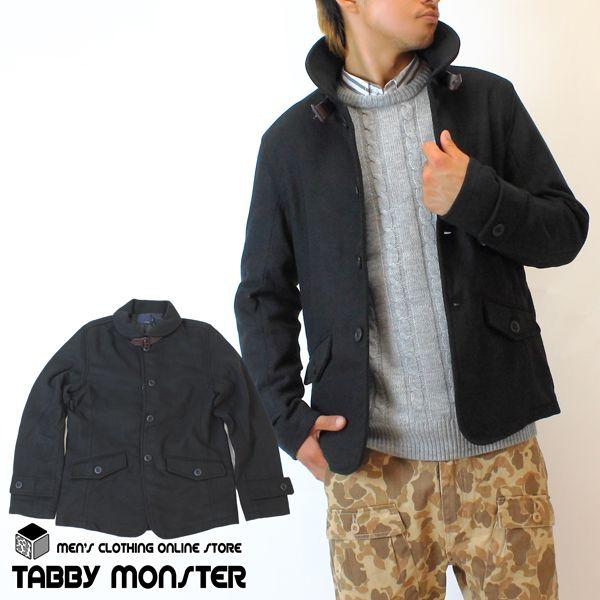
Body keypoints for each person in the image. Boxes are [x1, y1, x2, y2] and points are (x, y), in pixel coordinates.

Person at [234, 1, 589, 597]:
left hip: (500, 465)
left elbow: (565, 232)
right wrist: (286, 420)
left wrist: (476, 196)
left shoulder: (488, 102)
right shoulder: (291, 144)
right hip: (371, 472)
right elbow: (262, 295)